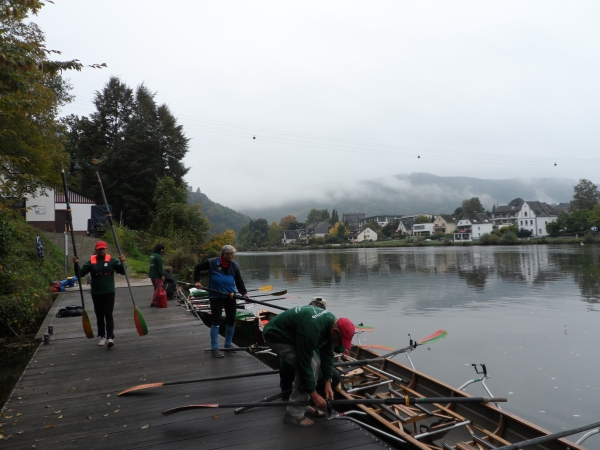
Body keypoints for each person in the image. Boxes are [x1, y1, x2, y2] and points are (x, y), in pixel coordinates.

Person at [263, 304, 355, 427]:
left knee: (315, 364)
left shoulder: (331, 322)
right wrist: (313, 393)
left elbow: (328, 353)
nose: (340, 344)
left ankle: (303, 405)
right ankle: (293, 414)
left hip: (293, 334)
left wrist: (328, 380)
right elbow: (304, 364)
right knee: (310, 366)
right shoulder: (311, 329)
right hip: (276, 336)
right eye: (340, 341)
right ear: (334, 332)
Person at [193, 245, 249, 358]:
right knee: (216, 321)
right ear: (225, 254)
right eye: (232, 254)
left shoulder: (234, 266)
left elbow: (239, 281)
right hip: (216, 296)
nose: (233, 256)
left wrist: (244, 293)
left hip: (231, 296)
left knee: (231, 320)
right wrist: (197, 281)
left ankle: (228, 345)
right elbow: (197, 268)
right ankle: (214, 348)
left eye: (234, 254)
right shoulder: (212, 262)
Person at [73, 241, 125, 348]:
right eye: (99, 249)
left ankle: (110, 337)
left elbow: (123, 271)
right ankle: (102, 336)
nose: (101, 251)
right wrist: (76, 264)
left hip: (109, 292)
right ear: (96, 250)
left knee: (108, 314)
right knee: (99, 315)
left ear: (106, 249)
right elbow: (80, 274)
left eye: (103, 249)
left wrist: (123, 262)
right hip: (96, 293)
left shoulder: (112, 260)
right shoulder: (91, 262)